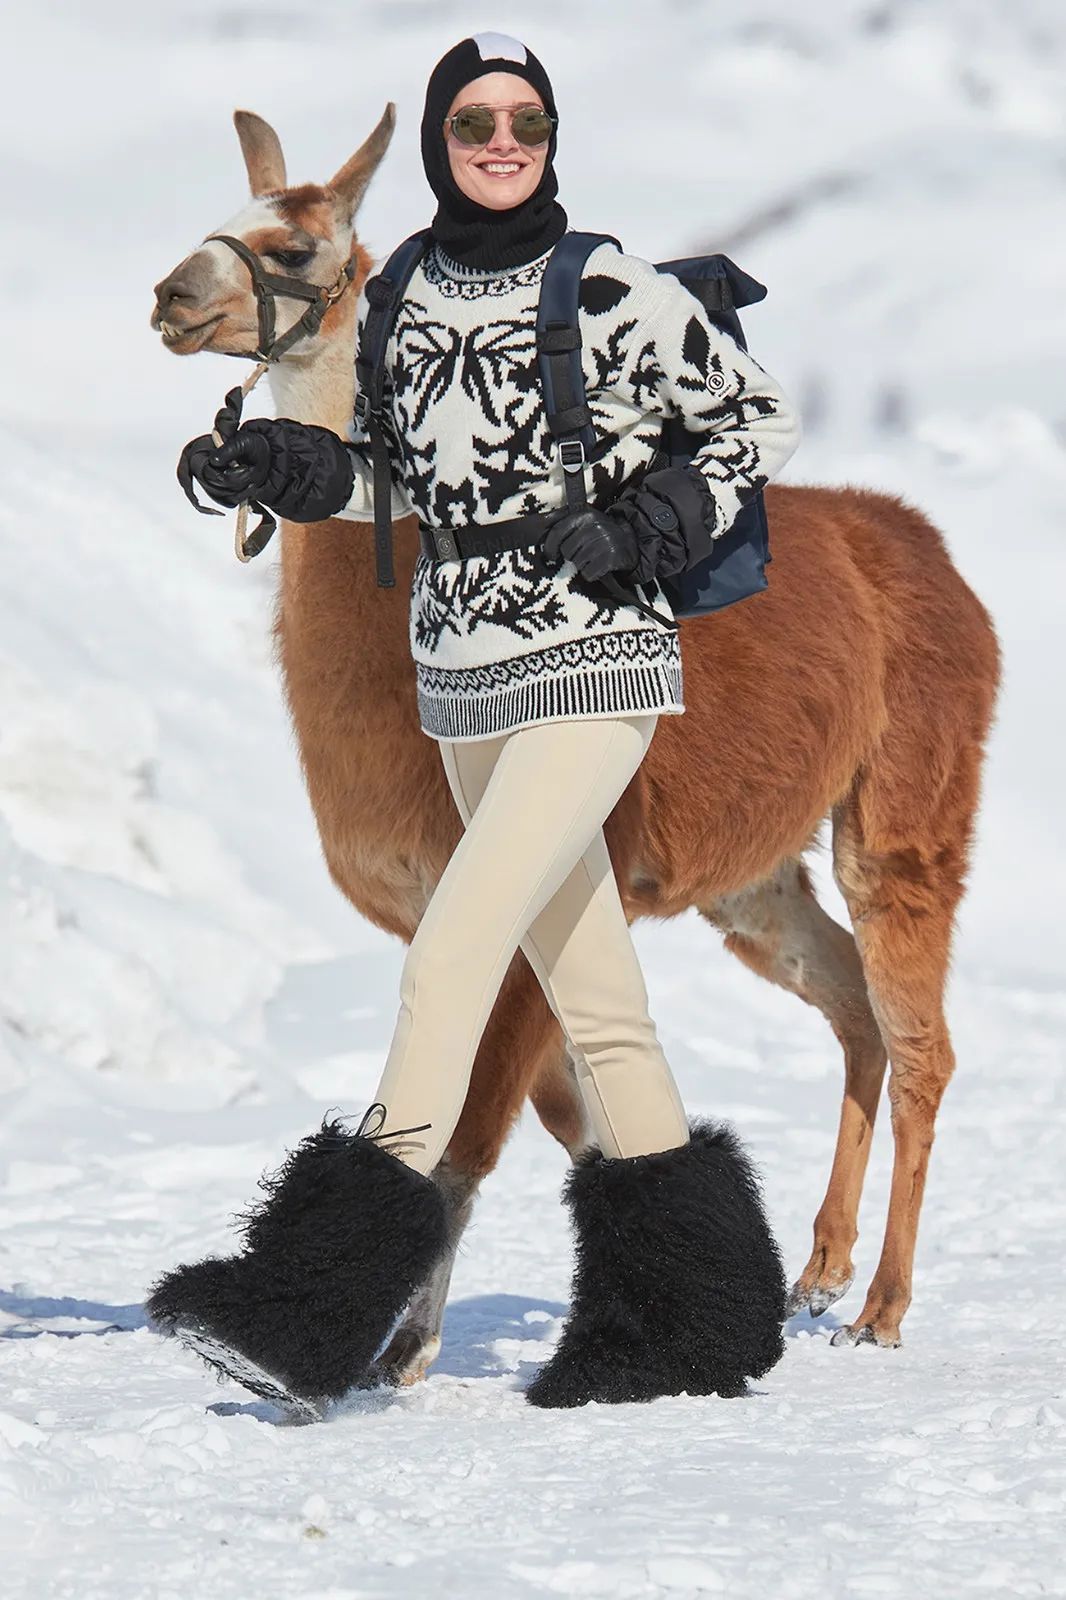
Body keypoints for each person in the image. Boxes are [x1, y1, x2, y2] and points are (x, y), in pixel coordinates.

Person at [148, 32, 799, 1416]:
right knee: (598, 1006)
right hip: (461, 680)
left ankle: (308, 1300)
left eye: (522, 120)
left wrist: (660, 514)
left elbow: (750, 419)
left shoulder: (604, 285)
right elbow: (392, 475)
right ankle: (699, 1315)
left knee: (452, 951)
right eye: (471, 122)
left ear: (547, 138)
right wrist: (291, 462)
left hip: (593, 664)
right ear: (444, 142)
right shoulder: (420, 301)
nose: (498, 140)